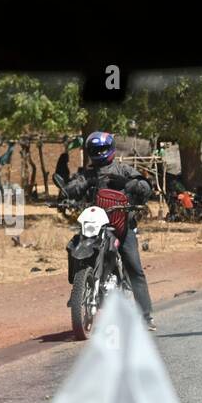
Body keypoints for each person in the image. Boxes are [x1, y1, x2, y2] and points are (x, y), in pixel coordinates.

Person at [62, 131, 157, 331]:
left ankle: (146, 317)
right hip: (96, 225)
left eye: (103, 149)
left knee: (134, 268)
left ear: (111, 149)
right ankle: (80, 289)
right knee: (75, 245)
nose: (100, 152)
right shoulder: (88, 174)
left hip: (122, 224)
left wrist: (131, 184)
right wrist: (68, 191)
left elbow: (146, 186)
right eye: (96, 150)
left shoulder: (123, 169)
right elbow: (74, 187)